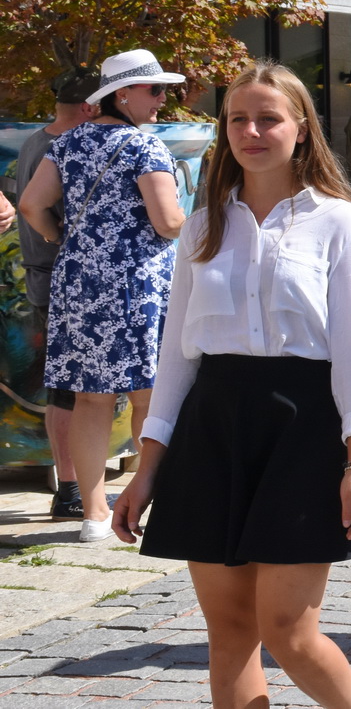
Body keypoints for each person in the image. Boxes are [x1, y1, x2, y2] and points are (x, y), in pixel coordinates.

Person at [111, 62, 351, 709]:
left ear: (300, 128)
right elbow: (175, 353)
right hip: (213, 428)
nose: (252, 130)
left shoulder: (336, 219)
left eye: (268, 118)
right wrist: (148, 466)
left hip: (302, 427)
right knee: (229, 631)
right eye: (238, 118)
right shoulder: (203, 224)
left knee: (288, 630)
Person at [19, 50, 187, 542]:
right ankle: (148, 506)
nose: (162, 99)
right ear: (122, 94)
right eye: (154, 89)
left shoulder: (67, 144)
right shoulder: (145, 148)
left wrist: (60, 238)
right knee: (147, 398)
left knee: (90, 401)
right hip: (136, 285)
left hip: (79, 283)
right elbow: (167, 222)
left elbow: (31, 204)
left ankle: (94, 515)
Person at [16, 68, 99, 520]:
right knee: (70, 391)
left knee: (61, 390)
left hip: (42, 278)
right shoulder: (62, 149)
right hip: (59, 279)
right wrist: (59, 241)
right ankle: (70, 489)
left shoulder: (35, 141)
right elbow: (34, 208)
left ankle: (69, 485)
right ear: (89, 107)